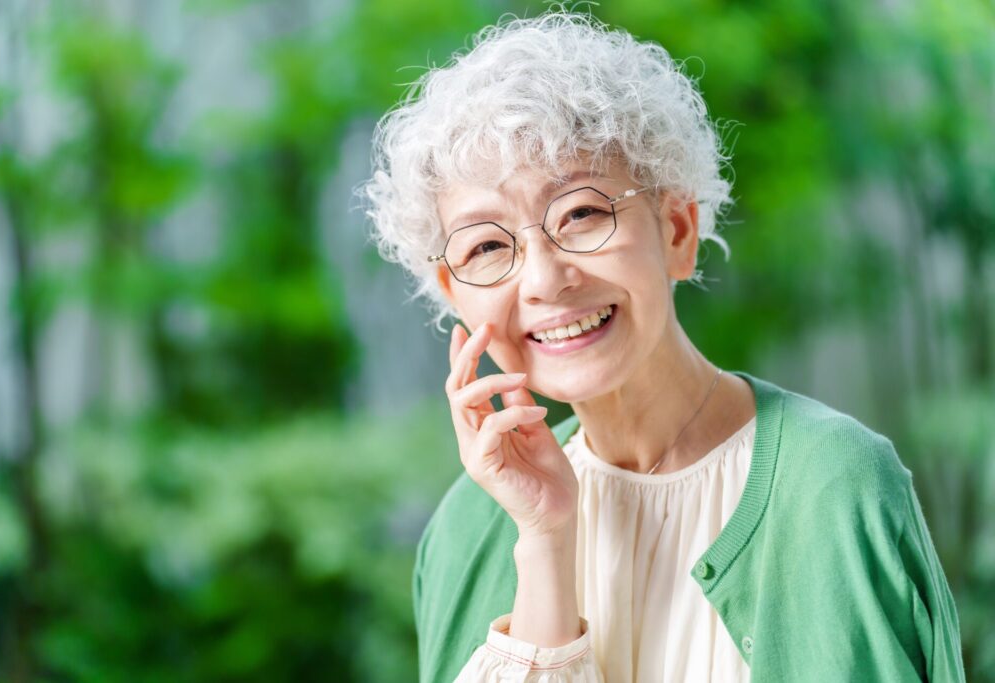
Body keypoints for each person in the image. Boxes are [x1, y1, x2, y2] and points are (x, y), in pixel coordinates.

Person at [361, 10, 966, 683]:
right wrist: (544, 544)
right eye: (487, 246)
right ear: (453, 292)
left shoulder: (834, 486)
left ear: (677, 229)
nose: (544, 280)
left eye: (582, 213)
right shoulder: (469, 525)